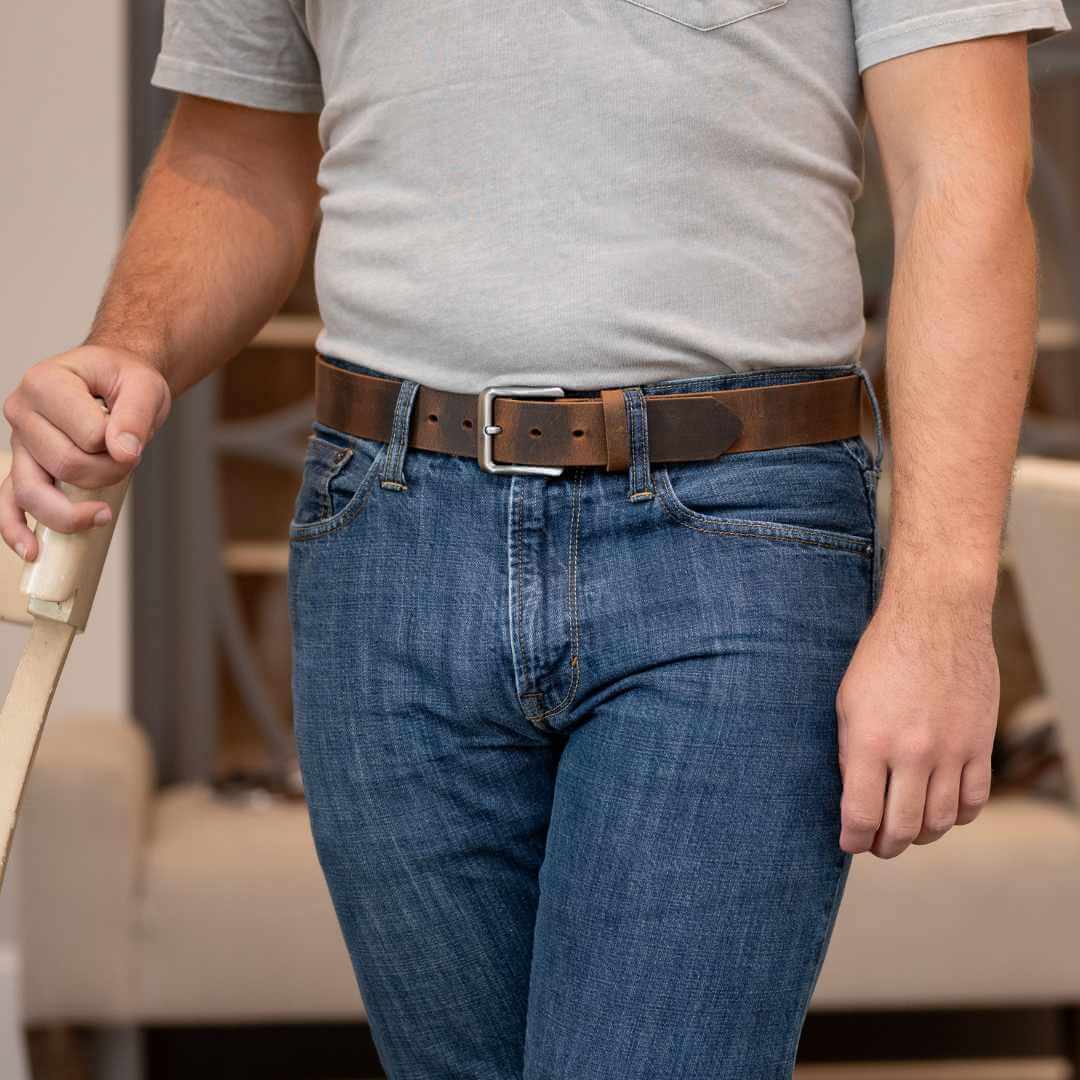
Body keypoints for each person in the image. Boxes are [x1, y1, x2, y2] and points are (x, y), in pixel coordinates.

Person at [2, 1, 1071, 1075]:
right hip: (385, 534)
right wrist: (129, 348)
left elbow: (962, 181)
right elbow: (234, 154)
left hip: (731, 545)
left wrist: (942, 603)